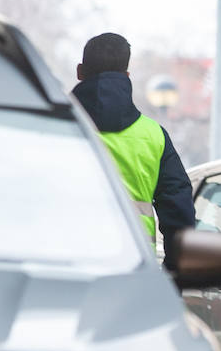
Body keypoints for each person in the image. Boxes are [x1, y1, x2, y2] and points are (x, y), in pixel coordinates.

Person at [71, 33, 194, 266]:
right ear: (127, 76)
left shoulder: (54, 130)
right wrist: (174, 278)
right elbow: (180, 217)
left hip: (64, 271)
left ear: (80, 72)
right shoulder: (154, 136)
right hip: (134, 272)